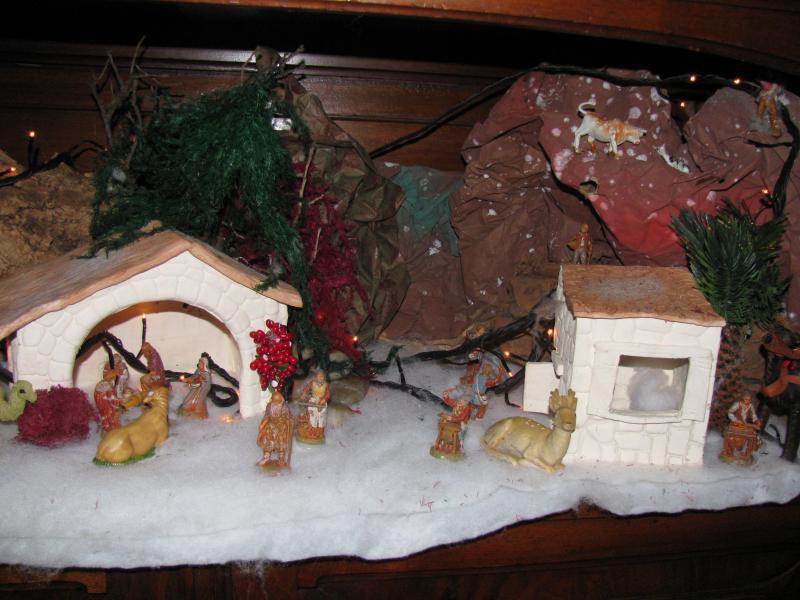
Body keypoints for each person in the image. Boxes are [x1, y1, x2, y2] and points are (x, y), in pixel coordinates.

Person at [720, 393, 762, 465]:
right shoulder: (737, 404)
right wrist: (735, 420)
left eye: (749, 400)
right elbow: (730, 412)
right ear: (742, 399)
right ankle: (727, 452)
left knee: (753, 435)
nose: (747, 401)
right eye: (746, 399)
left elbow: (753, 415)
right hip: (735, 424)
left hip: (744, 424)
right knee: (730, 434)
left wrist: (756, 421)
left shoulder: (750, 406)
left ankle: (747, 454)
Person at [257, 389, 294, 472]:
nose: (276, 403)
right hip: (271, 426)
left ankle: (281, 458)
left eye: (278, 401)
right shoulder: (269, 406)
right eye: (275, 401)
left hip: (281, 427)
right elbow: (267, 415)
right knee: (268, 441)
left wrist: (290, 420)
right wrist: (263, 423)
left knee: (281, 442)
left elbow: (289, 416)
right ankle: (266, 457)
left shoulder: (284, 407)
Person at [296, 369, 331, 443]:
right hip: (313, 400)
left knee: (321, 417)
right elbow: (306, 389)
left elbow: (328, 394)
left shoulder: (326, 385)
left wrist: (324, 399)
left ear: (324, 377)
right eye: (319, 376)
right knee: (312, 415)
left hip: (322, 402)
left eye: (322, 376)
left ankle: (320, 431)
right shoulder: (312, 383)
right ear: (316, 377)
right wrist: (304, 394)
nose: (320, 378)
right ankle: (312, 430)